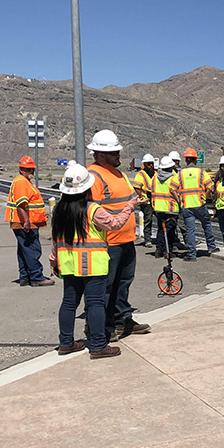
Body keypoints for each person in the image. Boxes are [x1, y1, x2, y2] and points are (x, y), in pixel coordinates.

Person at [49, 163, 139, 360]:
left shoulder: (59, 211)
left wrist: (53, 260)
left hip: (69, 264)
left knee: (69, 303)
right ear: (86, 188)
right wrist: (129, 207)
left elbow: (56, 238)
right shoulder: (92, 209)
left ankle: (66, 343)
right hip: (92, 264)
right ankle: (98, 345)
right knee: (96, 303)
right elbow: (114, 224)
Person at [86, 129, 150, 341]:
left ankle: (123, 320)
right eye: (114, 153)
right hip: (107, 243)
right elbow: (91, 210)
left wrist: (139, 201)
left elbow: (128, 198)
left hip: (126, 239)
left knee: (124, 282)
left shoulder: (120, 174)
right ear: (101, 155)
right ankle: (102, 325)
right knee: (106, 286)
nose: (118, 157)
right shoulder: (92, 176)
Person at [5, 156, 54, 287]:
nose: (31, 172)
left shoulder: (23, 181)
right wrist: (26, 221)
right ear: (21, 170)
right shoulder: (21, 182)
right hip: (26, 223)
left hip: (23, 222)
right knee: (32, 249)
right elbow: (21, 204)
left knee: (24, 250)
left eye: (32, 169)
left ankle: (25, 276)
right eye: (28, 169)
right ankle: (36, 277)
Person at [173, 148, 218, 261]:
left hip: (186, 206)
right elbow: (210, 187)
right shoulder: (202, 173)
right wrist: (204, 196)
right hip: (200, 204)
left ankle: (192, 255)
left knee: (190, 230)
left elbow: (172, 189)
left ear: (186, 160)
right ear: (195, 160)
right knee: (206, 224)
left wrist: (179, 200)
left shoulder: (180, 174)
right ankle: (211, 247)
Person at [151, 156, 181, 258]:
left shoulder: (155, 177)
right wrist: (180, 203)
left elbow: (152, 191)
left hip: (158, 208)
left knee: (161, 229)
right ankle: (167, 251)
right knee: (170, 231)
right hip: (171, 208)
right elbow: (176, 192)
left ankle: (159, 249)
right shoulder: (174, 178)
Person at [132, 153, 156, 247]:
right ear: (144, 165)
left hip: (156, 200)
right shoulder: (141, 174)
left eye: (152, 163)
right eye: (148, 164)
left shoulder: (156, 173)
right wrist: (142, 197)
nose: (151, 166)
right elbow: (137, 187)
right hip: (147, 202)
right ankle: (148, 240)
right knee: (148, 220)